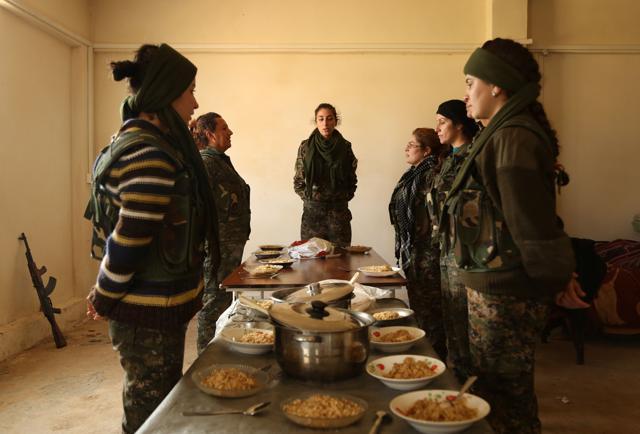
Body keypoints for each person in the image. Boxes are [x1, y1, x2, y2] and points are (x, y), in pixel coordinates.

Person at [442, 38, 588, 434]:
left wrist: (558, 280)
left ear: (496, 85)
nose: (466, 93)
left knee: (507, 400)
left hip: (506, 291)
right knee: (493, 391)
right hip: (494, 286)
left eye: (470, 82)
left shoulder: (513, 137)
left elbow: (531, 224)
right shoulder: (500, 133)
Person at [85, 44, 218, 434]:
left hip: (153, 309)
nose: (195, 103)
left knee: (155, 405)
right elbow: (129, 240)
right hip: (147, 313)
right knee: (151, 416)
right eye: (190, 90)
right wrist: (103, 294)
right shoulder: (149, 152)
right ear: (165, 94)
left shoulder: (139, 143)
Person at [191, 113, 251, 354]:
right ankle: (205, 358)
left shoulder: (219, 161)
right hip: (216, 248)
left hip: (228, 247)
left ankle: (219, 352)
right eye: (224, 128)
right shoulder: (206, 163)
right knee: (213, 303)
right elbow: (198, 206)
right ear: (210, 134)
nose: (230, 132)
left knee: (223, 301)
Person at [428, 100, 479, 380]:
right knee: (452, 320)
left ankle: (469, 383)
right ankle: (458, 379)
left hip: (467, 252)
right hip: (446, 251)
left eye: (442, 122)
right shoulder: (448, 158)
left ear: (459, 123)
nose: (437, 128)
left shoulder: (475, 156)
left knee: (466, 323)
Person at [389, 128, 449, 360]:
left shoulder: (431, 173)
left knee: (430, 312)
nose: (407, 148)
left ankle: (435, 361)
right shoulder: (413, 173)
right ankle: (425, 358)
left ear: (427, 151)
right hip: (413, 249)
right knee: (420, 309)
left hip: (428, 252)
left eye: (412, 144)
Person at [293, 103, 357, 247]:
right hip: (312, 217)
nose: (325, 124)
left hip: (339, 216)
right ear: (316, 121)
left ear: (336, 121)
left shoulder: (345, 147)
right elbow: (298, 181)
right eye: (321, 119)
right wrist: (312, 200)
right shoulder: (306, 147)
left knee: (340, 261)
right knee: (312, 264)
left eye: (329, 119)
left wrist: (340, 199)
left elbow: (351, 180)